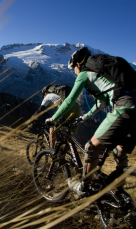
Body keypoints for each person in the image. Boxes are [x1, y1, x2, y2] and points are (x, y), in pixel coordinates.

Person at [45, 47, 136, 196]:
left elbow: (69, 101)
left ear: (78, 64)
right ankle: (120, 193)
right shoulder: (102, 73)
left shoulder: (84, 74)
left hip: (126, 106)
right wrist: (84, 117)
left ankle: (83, 187)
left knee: (91, 146)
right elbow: (100, 103)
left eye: (73, 68)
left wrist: (53, 119)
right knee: (120, 150)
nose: (73, 71)